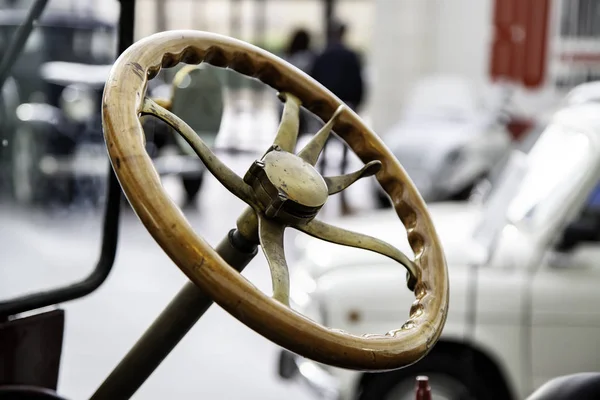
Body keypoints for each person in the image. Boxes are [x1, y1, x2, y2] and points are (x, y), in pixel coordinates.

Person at [309, 20, 365, 214]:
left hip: (324, 106)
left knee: (320, 148)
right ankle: (340, 197)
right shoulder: (350, 56)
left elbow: (312, 79)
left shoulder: (322, 55)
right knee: (342, 151)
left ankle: (318, 193)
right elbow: (358, 82)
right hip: (345, 106)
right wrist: (357, 104)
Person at [278, 28, 318, 137]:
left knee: (284, 135)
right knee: (297, 134)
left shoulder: (285, 56)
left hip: (284, 101)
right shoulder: (309, 59)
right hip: (301, 103)